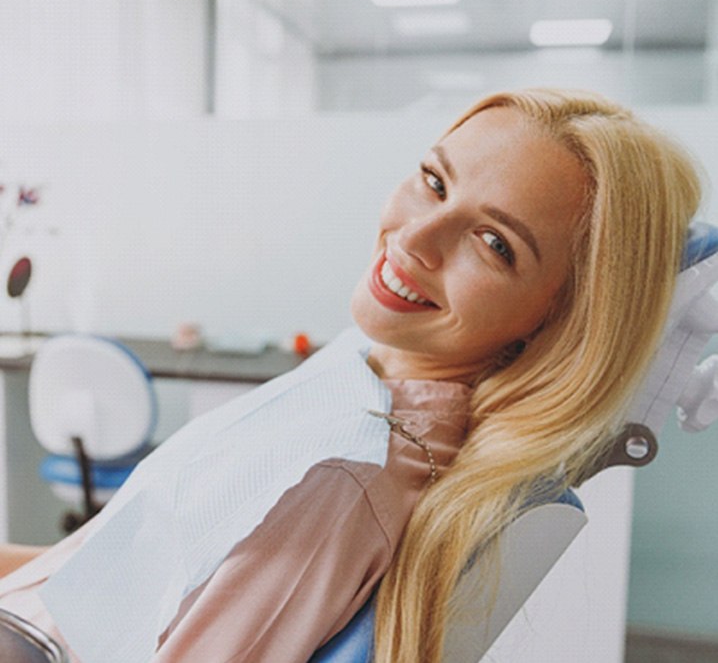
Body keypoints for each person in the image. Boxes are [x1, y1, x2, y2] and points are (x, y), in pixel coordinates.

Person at [0, 88, 703, 663]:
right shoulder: (353, 376)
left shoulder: (338, 471)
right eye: (434, 182)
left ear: (560, 317)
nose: (414, 238)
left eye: (495, 245)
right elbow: (89, 584)